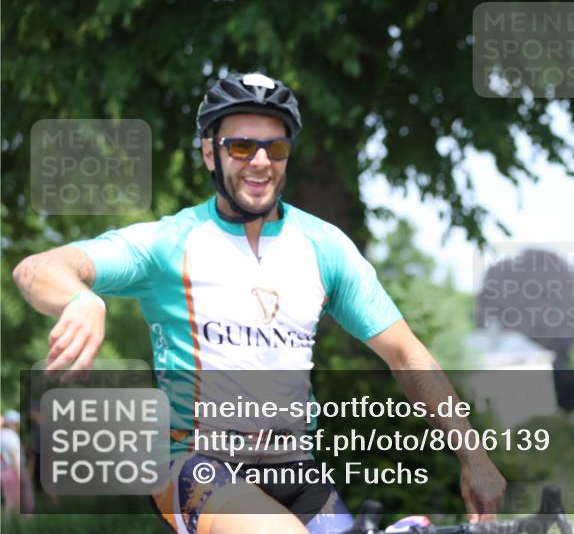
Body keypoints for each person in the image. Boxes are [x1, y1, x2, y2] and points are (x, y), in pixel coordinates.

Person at [12, 71, 505, 534]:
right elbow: (37, 268)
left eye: (277, 146)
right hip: (192, 463)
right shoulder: (168, 243)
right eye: (242, 146)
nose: (261, 162)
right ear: (210, 153)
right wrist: (81, 300)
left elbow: (406, 353)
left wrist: (475, 458)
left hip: (295, 467)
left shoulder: (324, 246)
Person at [0, 410, 34, 517]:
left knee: (10, 499)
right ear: (13, 423)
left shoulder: (2, 434)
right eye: (17, 423)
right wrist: (18, 473)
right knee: (17, 498)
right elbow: (13, 454)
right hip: (13, 469)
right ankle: (25, 519)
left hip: (4, 469)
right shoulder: (11, 435)